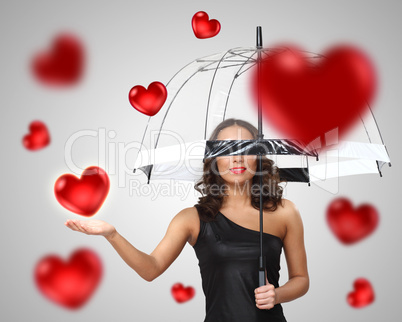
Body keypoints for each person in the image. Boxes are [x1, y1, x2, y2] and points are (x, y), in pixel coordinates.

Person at [65, 118, 309, 321]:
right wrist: (113, 235)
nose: (237, 158)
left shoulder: (285, 212)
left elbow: (301, 280)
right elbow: (151, 269)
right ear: (213, 160)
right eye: (226, 150)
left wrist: (277, 295)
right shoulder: (191, 219)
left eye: (246, 149)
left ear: (259, 156)